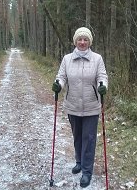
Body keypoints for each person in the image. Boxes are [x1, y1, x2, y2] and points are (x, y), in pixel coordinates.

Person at [52, 27, 108, 188]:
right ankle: (79, 161)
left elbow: (102, 77)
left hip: (91, 105)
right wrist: (58, 85)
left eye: (85, 39)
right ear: (75, 41)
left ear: (89, 42)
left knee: (89, 138)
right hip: (73, 104)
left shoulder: (97, 59)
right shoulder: (67, 59)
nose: (82, 42)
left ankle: (87, 171)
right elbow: (61, 76)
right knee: (77, 136)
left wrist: (102, 86)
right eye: (79, 39)